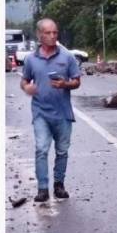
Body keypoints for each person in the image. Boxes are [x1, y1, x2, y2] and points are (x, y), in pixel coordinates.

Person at [20, 18, 81, 203]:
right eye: (48, 33)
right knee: (41, 149)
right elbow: (24, 80)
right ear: (40, 35)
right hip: (41, 113)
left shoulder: (67, 57)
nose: (53, 36)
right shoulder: (31, 59)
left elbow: (77, 81)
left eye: (55, 32)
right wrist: (26, 88)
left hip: (62, 113)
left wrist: (65, 84)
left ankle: (59, 185)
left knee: (62, 151)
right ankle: (43, 189)